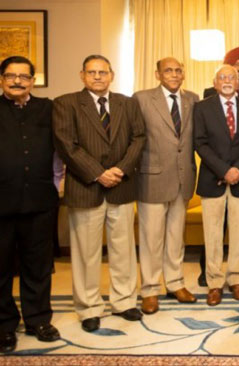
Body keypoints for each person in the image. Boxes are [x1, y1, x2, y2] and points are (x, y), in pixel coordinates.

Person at [53, 55, 146, 332]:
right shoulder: (66, 103)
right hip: (86, 188)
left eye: (102, 72)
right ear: (82, 75)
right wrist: (98, 172)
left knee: (124, 251)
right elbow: (66, 144)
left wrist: (120, 169)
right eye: (92, 72)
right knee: (86, 254)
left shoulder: (127, 103)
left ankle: (125, 301)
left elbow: (139, 138)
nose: (97, 77)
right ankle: (89, 307)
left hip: (122, 186)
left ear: (112, 75)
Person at [0, 56, 60, 353]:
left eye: (23, 76)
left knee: (37, 266)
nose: (17, 81)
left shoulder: (48, 109)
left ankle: (38, 319)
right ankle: (4, 326)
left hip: (40, 201)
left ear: (32, 81)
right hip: (1, 202)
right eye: (10, 76)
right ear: (1, 80)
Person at [133, 57, 199, 315]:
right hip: (152, 177)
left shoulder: (192, 99)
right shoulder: (141, 99)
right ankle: (150, 289)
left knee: (175, 237)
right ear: (157, 73)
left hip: (183, 179)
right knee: (151, 238)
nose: (174, 74)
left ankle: (175, 283)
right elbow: (135, 136)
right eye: (168, 70)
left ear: (183, 74)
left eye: (178, 70)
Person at [193, 65, 239, 306]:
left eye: (231, 77)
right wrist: (224, 170)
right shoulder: (202, 108)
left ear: (237, 82)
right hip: (212, 180)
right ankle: (214, 283)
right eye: (222, 77)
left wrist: (238, 170)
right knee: (212, 235)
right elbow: (200, 143)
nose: (227, 80)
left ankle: (236, 278)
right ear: (214, 82)